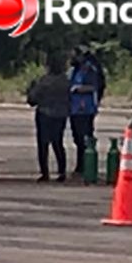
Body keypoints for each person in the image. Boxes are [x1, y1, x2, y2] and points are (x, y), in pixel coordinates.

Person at [26, 53, 71, 182]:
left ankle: (45, 172)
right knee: (58, 143)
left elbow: (32, 99)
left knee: (43, 144)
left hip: (45, 113)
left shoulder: (44, 81)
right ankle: (62, 171)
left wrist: (30, 89)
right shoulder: (66, 81)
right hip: (61, 114)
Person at [68, 46, 102, 178]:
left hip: (85, 109)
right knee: (77, 138)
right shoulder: (74, 70)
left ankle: (86, 167)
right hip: (74, 109)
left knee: (85, 139)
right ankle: (80, 165)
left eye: (74, 56)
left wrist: (77, 89)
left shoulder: (89, 69)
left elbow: (94, 86)